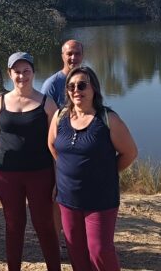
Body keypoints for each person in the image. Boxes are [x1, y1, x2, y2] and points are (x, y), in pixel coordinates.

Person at [48, 66, 138, 271]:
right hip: (68, 199)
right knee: (76, 251)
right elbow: (52, 145)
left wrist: (107, 172)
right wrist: (64, 172)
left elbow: (130, 153)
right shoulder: (60, 116)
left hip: (100, 199)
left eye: (82, 85)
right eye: (71, 86)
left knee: (99, 251)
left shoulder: (108, 119)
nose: (76, 90)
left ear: (94, 88)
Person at [0, 52, 62, 271]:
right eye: (16, 71)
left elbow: (56, 147)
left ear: (33, 72)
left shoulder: (47, 104)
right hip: (7, 175)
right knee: (13, 226)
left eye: (26, 71)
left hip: (40, 174)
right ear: (9, 74)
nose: (21, 76)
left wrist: (58, 180)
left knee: (44, 225)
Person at [41, 40, 85, 108]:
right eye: (69, 54)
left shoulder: (88, 80)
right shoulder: (51, 84)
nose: (73, 57)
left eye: (77, 53)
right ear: (63, 56)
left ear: (82, 56)